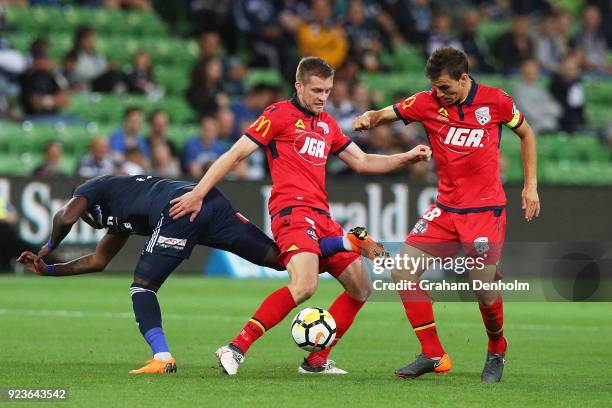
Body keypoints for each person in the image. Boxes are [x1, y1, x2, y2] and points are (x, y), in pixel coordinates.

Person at [169, 56, 431, 375]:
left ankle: (316, 360)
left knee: (362, 287)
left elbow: (363, 162)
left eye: (328, 91)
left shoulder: (327, 124)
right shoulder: (278, 114)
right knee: (305, 285)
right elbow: (236, 153)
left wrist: (405, 157)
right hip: (291, 213)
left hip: (322, 216)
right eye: (317, 90)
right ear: (299, 86)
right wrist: (198, 192)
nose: (323, 97)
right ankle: (236, 348)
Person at [16, 174, 379, 374]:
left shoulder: (93, 188)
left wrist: (48, 246)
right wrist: (48, 270)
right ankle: (346, 243)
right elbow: (97, 261)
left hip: (179, 210)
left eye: (87, 217)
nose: (88, 221)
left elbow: (65, 215)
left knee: (143, 287)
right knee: (282, 258)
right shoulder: (121, 212)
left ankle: (162, 358)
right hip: (210, 202)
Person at [352, 48, 540, 383]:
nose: (440, 95)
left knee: (481, 288)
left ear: (464, 79)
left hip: (484, 210)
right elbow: (386, 114)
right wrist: (369, 118)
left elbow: (526, 134)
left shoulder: (496, 101)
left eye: (446, 88)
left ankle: (497, 348)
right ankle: (433, 353)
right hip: (445, 210)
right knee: (402, 272)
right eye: (436, 88)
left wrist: (530, 186)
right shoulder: (427, 102)